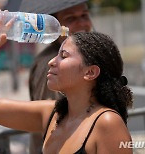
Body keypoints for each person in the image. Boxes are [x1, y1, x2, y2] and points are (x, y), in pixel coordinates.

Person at [0, 17, 133, 153]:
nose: (51, 62)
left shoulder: (107, 123)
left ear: (90, 72)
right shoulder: (52, 114)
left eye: (63, 56)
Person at [28, 1, 93, 153]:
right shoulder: (50, 63)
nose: (81, 23)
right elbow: (52, 118)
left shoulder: (87, 56)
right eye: (71, 19)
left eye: (84, 15)